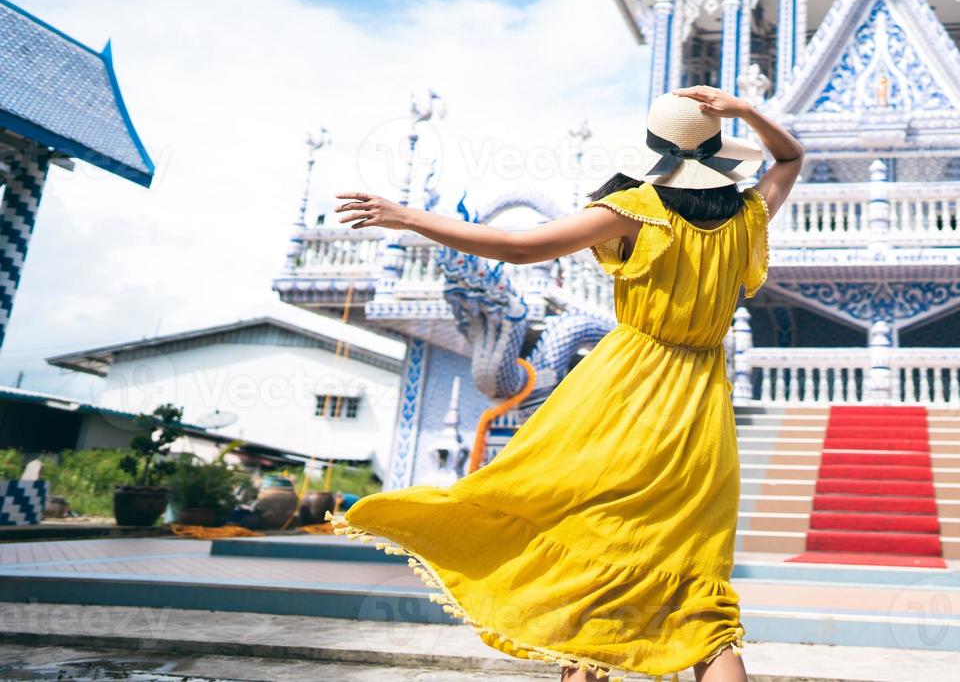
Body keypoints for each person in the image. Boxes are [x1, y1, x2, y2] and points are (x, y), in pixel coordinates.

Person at [332, 86, 803, 682]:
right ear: (716, 153)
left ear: (655, 155)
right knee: (699, 598)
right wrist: (747, 112)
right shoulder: (746, 215)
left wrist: (406, 216)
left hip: (626, 393)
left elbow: (517, 246)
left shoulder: (635, 209)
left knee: (583, 559)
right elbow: (790, 160)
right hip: (702, 411)